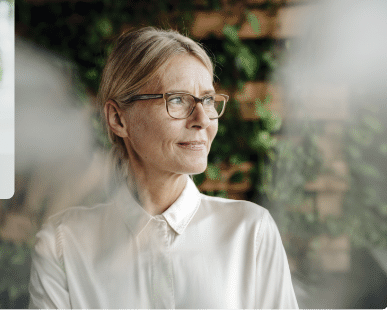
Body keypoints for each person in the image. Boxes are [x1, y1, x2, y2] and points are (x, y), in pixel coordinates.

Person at [28, 28, 299, 309]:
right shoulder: (62, 244)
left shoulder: (251, 231)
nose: (202, 119)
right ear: (118, 118)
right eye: (178, 100)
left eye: (207, 100)